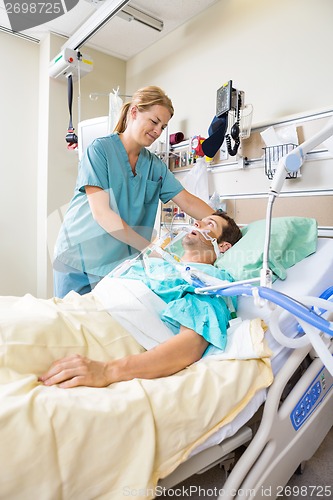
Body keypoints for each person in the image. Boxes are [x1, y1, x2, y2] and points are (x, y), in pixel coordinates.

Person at [1, 212, 242, 389]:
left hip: (104, 331)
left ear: (223, 246)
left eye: (209, 224)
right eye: (201, 219)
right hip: (75, 310)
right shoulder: (163, 265)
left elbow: (190, 346)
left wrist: (107, 371)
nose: (197, 222)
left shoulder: (208, 281)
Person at [53, 85, 215, 298]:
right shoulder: (100, 151)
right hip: (77, 258)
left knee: (103, 328)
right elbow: (102, 214)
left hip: (115, 265)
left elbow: (187, 201)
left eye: (163, 127)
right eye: (154, 122)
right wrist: (149, 249)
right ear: (134, 112)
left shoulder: (154, 166)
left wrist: (223, 223)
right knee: (67, 326)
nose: (158, 131)